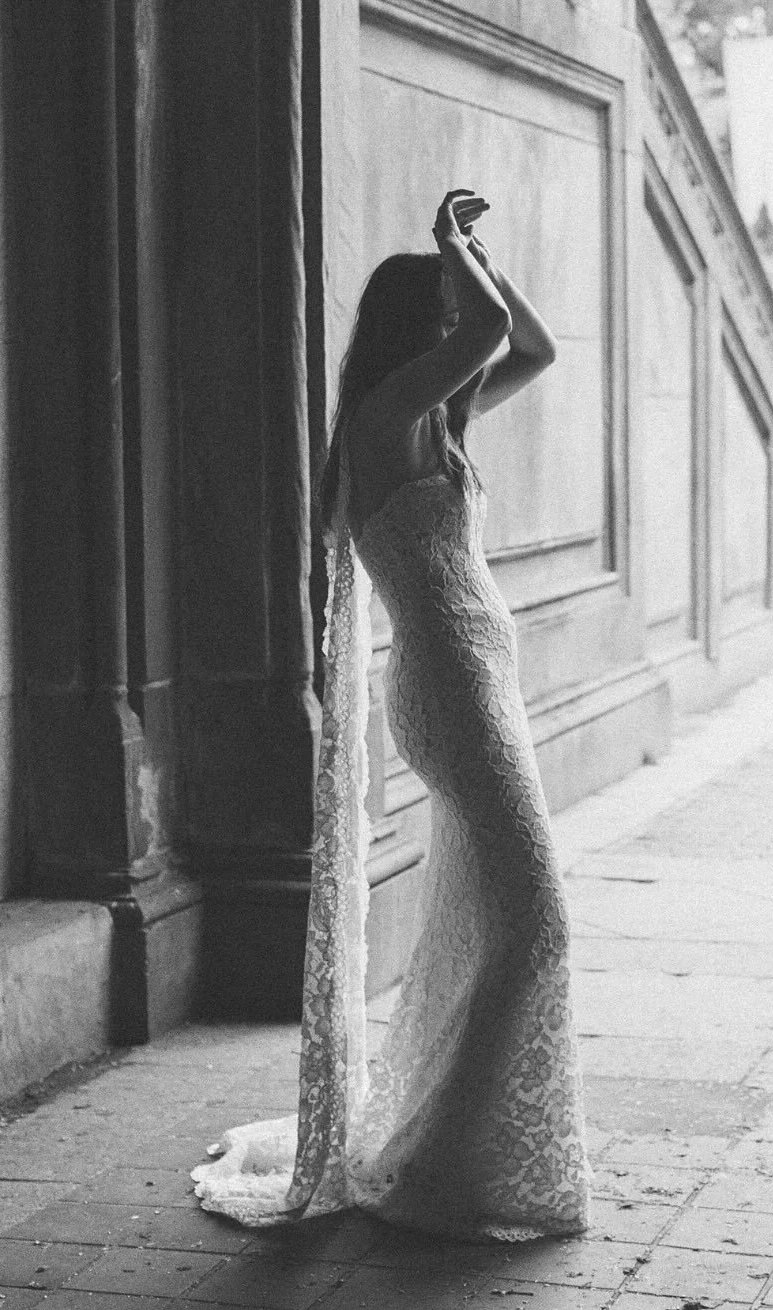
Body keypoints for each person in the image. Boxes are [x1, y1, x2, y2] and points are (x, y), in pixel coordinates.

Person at [192, 189, 591, 1242]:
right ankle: (439, 1161)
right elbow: (496, 331)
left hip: (482, 681)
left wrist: (477, 260)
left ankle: (449, 1140)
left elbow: (534, 347)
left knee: (488, 916)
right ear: (416, 332)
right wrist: (451, 244)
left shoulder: (441, 422)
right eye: (446, 315)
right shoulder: (380, 425)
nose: (462, 330)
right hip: (451, 692)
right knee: (537, 919)